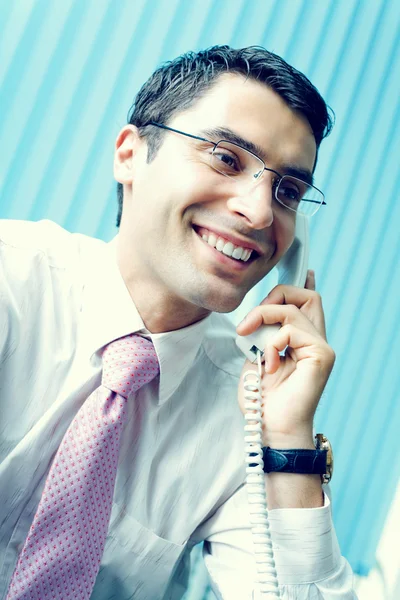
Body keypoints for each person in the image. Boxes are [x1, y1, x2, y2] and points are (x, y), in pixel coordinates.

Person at [0, 45, 356, 599]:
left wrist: (287, 440)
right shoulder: (11, 282)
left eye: (287, 191)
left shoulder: (246, 410)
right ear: (130, 155)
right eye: (226, 158)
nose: (260, 212)